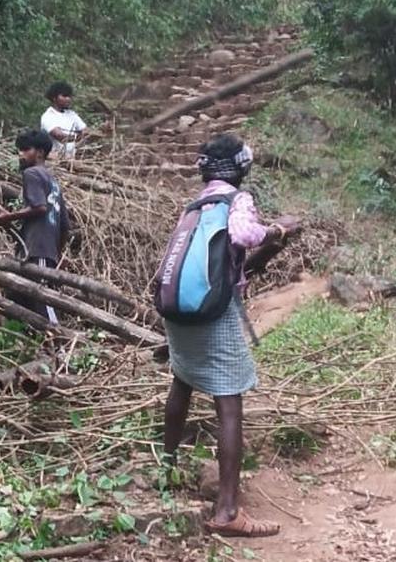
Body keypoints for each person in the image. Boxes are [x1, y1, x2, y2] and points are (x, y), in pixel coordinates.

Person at [161, 134, 300, 537]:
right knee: (229, 403)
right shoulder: (237, 200)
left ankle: (167, 471)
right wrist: (275, 229)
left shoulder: (196, 204)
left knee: (182, 382)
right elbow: (242, 235)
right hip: (214, 313)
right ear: (241, 167)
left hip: (179, 310)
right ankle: (227, 512)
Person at [0, 129, 70, 325]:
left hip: (38, 251)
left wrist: (8, 217)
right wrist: (57, 253)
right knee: (18, 299)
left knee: (44, 302)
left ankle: (60, 344)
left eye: (26, 149)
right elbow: (65, 226)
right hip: (43, 251)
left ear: (40, 153)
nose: (21, 154)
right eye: (19, 150)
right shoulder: (53, 181)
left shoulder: (32, 173)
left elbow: (40, 207)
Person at [40, 82, 88, 161]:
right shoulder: (48, 116)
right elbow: (60, 136)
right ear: (54, 98)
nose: (68, 99)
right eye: (64, 96)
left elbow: (86, 131)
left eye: (69, 96)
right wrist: (78, 136)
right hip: (55, 159)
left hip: (72, 159)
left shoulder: (72, 114)